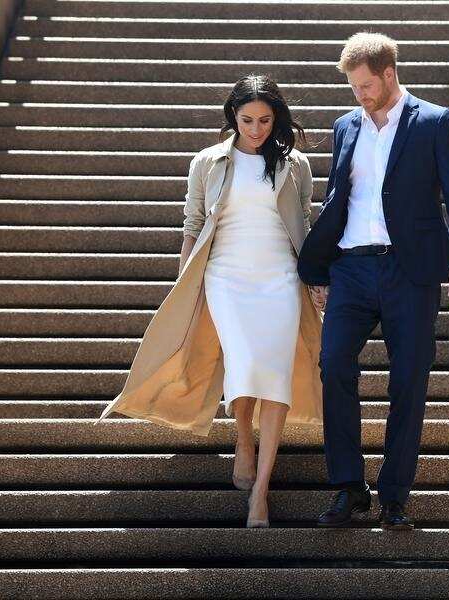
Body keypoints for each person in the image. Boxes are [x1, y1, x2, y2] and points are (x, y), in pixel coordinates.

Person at [94, 74, 324, 529]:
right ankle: (243, 438)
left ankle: (261, 489)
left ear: (275, 118)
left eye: (264, 119)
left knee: (273, 374)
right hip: (225, 277)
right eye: (247, 119)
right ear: (232, 118)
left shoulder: (295, 164)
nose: (256, 128)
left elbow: (307, 223)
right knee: (244, 365)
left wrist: (316, 276)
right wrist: (187, 281)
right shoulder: (208, 162)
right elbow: (193, 222)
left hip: (280, 277)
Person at [298, 32, 449, 530]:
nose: (358, 94)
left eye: (365, 85)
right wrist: (320, 266)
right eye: (352, 87)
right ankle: (349, 488)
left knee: (409, 381)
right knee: (333, 363)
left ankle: (394, 496)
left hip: (411, 270)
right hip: (352, 268)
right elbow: (337, 200)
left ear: (389, 73)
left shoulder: (435, 122)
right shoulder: (345, 126)